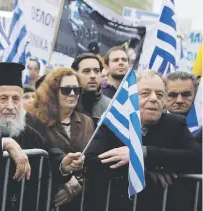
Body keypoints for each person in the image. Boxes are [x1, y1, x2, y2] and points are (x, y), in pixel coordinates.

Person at [0, 62, 84, 211]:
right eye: (3, 99)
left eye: (15, 99)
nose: (10, 106)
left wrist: (63, 164)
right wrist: (5, 143)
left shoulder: (25, 131)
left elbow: (48, 151)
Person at [84, 70, 202, 211]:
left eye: (159, 95)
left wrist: (143, 153)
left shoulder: (175, 124)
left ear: (164, 101)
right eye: (145, 93)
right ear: (131, 97)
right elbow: (91, 161)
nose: (154, 99)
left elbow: (198, 158)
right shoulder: (113, 121)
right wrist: (141, 168)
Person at [26, 67, 95, 210]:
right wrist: (65, 178)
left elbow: (92, 159)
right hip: (43, 199)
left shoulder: (87, 122)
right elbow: (37, 158)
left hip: (79, 202)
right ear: (52, 92)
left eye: (76, 90)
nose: (72, 94)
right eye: (66, 90)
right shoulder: (34, 120)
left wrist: (78, 183)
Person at [71, 53, 111, 122]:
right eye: (86, 71)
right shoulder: (64, 102)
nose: (93, 76)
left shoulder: (110, 107)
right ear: (75, 74)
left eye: (96, 71)